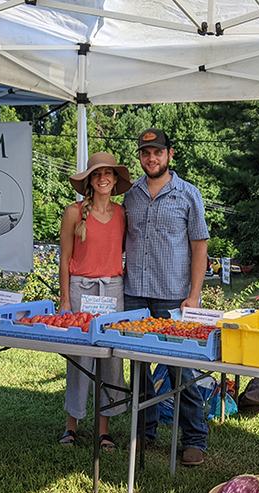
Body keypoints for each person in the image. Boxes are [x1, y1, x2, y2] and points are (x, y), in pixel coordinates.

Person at [123, 128, 210, 466]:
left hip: (174, 297)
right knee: (139, 367)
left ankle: (194, 437)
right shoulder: (130, 196)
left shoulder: (188, 195)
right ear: (141, 157)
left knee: (180, 370)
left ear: (170, 154)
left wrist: (194, 295)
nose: (151, 158)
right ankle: (144, 430)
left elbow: (199, 246)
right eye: (146, 153)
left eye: (157, 152)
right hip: (134, 295)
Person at [58, 151, 131, 448]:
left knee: (110, 360)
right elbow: (64, 259)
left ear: (115, 181)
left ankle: (104, 428)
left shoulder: (122, 214)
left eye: (108, 174)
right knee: (79, 357)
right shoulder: (73, 212)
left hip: (112, 289)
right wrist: (65, 299)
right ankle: (71, 425)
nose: (103, 178)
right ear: (89, 180)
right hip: (80, 288)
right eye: (97, 174)